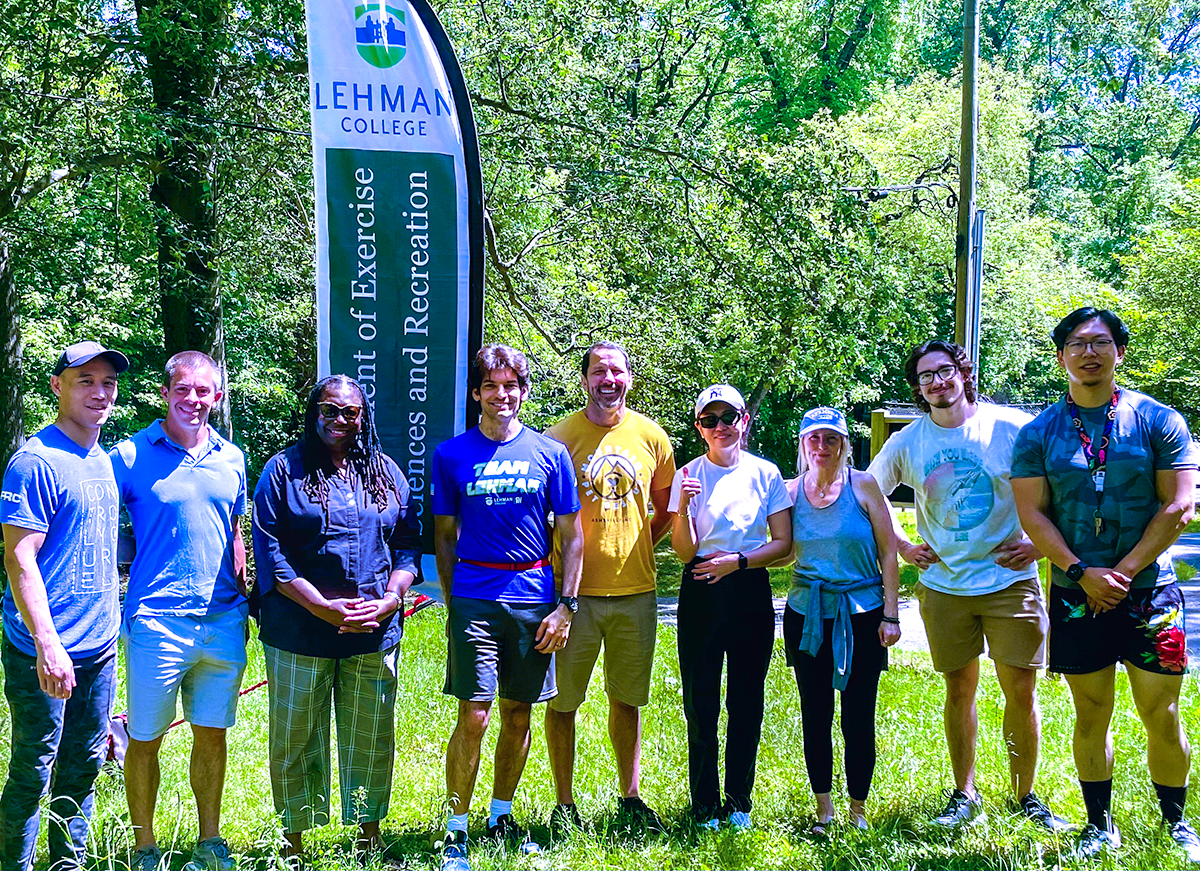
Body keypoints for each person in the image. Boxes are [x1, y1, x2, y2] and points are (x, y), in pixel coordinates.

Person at [1011, 307, 1199, 859]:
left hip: (1150, 592)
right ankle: (1099, 825)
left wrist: (1126, 571)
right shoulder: (1039, 432)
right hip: (1076, 595)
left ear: (1119, 351)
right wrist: (1079, 572)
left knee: (1160, 711)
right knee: (1091, 713)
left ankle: (1177, 824)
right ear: (1061, 355)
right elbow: (1033, 515)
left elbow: (1179, 504)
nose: (1088, 353)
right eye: (1075, 344)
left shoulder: (1160, 420)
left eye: (1099, 343)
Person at [867, 340, 1068, 830]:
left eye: (943, 371)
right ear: (917, 388)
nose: (937, 382)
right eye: (925, 377)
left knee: (1020, 691)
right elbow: (868, 496)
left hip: (1009, 582)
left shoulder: (1010, 427)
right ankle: (965, 794)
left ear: (963, 371)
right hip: (944, 586)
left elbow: (1064, 486)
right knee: (960, 689)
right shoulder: (908, 442)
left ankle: (1026, 797)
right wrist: (902, 545)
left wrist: (1040, 547)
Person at [252, 374, 420, 861]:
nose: (340, 420)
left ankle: (368, 835)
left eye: (350, 411)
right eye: (330, 410)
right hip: (300, 630)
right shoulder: (284, 470)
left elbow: (406, 545)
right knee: (295, 735)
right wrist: (320, 606)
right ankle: (293, 841)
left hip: (373, 631)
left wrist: (392, 598)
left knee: (370, 733)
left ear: (363, 415)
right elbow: (272, 553)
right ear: (313, 413)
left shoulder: (386, 473)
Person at [432, 344, 584, 871]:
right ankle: (455, 829)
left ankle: (501, 816)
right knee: (474, 713)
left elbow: (573, 536)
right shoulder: (451, 454)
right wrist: (455, 601)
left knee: (519, 711)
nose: (503, 396)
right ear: (476, 392)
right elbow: (445, 537)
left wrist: (566, 607)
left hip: (536, 599)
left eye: (511, 386)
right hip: (475, 598)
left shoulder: (551, 454)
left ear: (522, 391)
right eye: (491, 386)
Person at [111, 351, 248, 871]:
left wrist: (244, 597)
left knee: (212, 734)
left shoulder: (232, 458)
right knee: (144, 738)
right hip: (155, 622)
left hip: (222, 623)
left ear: (217, 396)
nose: (194, 400)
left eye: (205, 391)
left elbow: (235, 534)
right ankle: (145, 849)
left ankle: (209, 842)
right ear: (166, 393)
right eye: (184, 390)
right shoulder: (128, 456)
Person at [0, 340, 128, 871]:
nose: (99, 393)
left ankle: (67, 865)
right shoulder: (35, 460)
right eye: (85, 382)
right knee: (35, 767)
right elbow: (19, 558)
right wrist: (47, 646)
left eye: (107, 383)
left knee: (85, 766)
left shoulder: (103, 458)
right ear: (57, 387)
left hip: (98, 647)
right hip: (44, 649)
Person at [543, 341, 676, 837]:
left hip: (636, 593)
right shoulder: (558, 440)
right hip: (572, 597)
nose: (608, 379)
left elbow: (664, 508)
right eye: (598, 371)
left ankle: (630, 796)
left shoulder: (652, 437)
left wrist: (640, 542)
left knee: (627, 700)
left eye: (616, 371)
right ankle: (563, 802)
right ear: (584, 381)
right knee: (563, 703)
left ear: (629, 379)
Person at [668, 384, 792, 829]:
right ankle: (704, 805)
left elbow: (783, 543)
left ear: (744, 420)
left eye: (728, 418)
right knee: (700, 701)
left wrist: (737, 562)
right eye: (709, 420)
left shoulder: (766, 473)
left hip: (748, 586)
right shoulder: (688, 475)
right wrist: (681, 507)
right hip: (701, 585)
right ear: (700, 428)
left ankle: (738, 802)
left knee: (746, 700)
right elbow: (684, 551)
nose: (720, 427)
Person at [783, 407, 900, 834]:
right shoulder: (788, 491)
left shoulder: (864, 486)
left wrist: (891, 614)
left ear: (844, 444)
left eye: (831, 438)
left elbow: (889, 553)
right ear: (802, 444)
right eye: (813, 438)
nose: (822, 446)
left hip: (862, 615)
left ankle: (858, 809)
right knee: (815, 712)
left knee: (857, 714)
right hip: (807, 614)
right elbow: (768, 540)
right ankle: (824, 809)